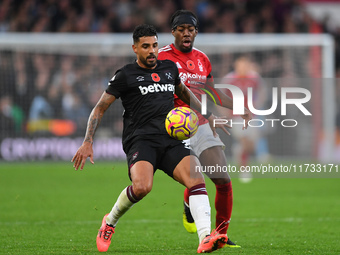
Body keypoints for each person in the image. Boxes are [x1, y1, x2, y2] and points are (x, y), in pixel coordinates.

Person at [71, 24, 229, 253]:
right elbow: (99, 108)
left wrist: (209, 115)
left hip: (170, 138)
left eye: (154, 45)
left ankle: (205, 237)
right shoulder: (125, 75)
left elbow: (184, 92)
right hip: (141, 140)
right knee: (143, 187)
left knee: (197, 180)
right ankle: (109, 221)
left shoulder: (169, 68)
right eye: (146, 47)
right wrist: (87, 141)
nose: (152, 50)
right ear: (135, 48)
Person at [158, 10, 252, 247]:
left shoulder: (202, 59)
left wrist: (238, 105)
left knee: (222, 179)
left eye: (191, 29)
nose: (186, 33)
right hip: (174, 128)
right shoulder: (161, 58)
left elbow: (211, 92)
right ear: (173, 32)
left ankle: (221, 234)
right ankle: (190, 203)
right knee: (194, 179)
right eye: (181, 29)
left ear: (196, 32)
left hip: (201, 124)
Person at [222, 56, 270, 182]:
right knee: (244, 140)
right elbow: (219, 95)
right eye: (240, 65)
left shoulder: (254, 77)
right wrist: (224, 110)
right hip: (236, 116)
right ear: (236, 66)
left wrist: (258, 103)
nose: (242, 67)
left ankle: (239, 151)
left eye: (245, 65)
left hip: (252, 115)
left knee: (251, 146)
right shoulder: (229, 79)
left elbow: (262, 90)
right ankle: (245, 171)